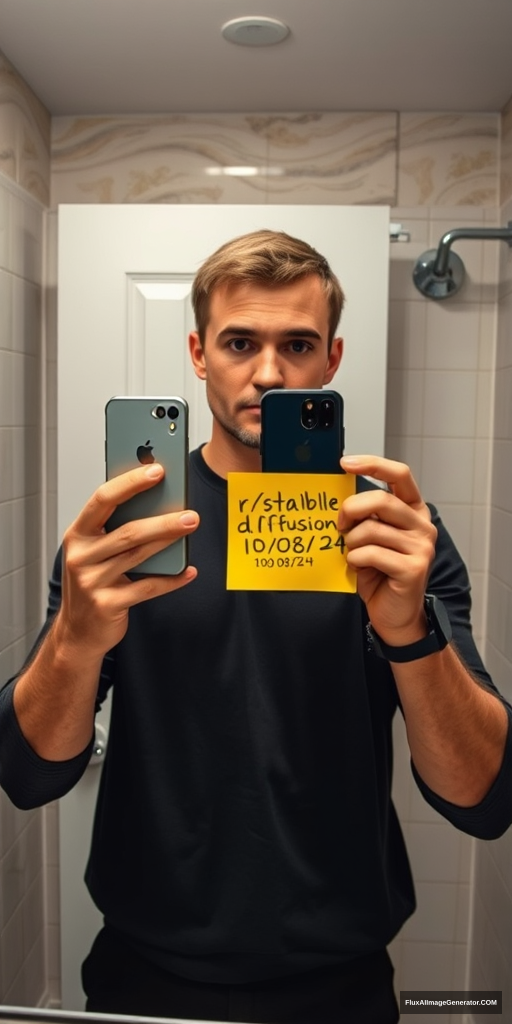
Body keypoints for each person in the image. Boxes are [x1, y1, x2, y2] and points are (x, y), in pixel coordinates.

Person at [1, 229, 511, 1024]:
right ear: (201, 353)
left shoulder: (392, 533)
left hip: (339, 982)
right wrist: (75, 635)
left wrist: (411, 633)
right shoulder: (131, 530)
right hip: (144, 974)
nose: (268, 373)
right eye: (241, 342)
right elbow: (30, 778)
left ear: (332, 360)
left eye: (297, 345)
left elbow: (482, 799)